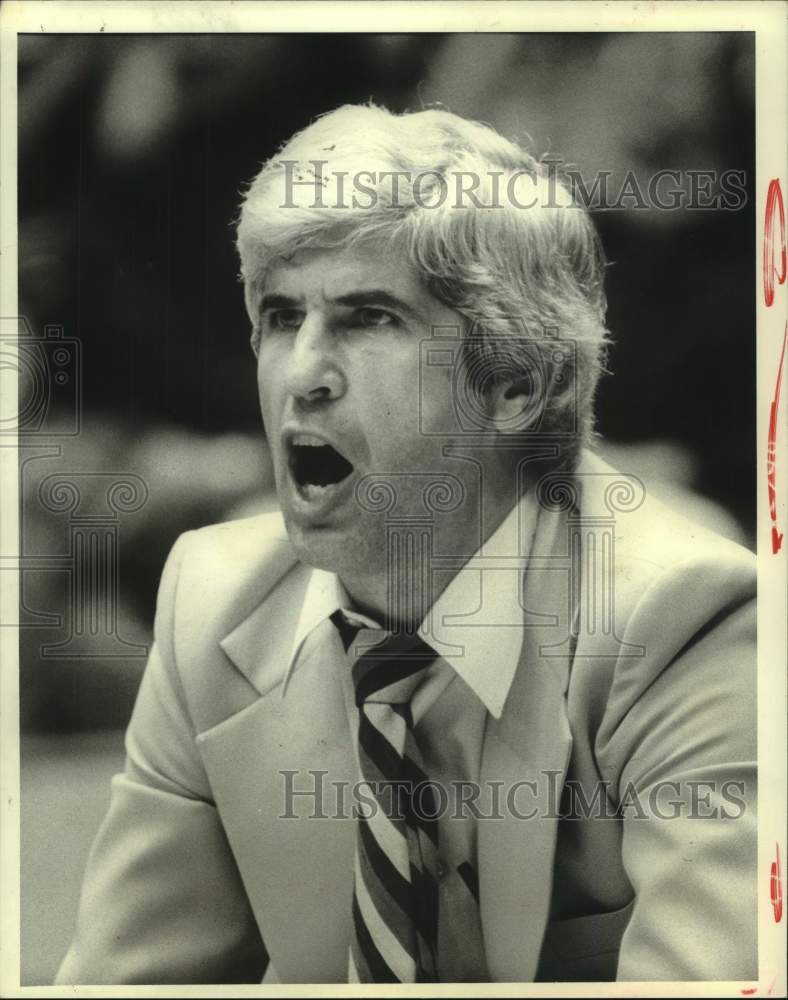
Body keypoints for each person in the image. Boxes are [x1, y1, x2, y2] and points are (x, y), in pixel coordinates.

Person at [56, 104, 756, 984]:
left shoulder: (686, 619)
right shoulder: (210, 601)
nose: (303, 374)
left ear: (515, 384)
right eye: (280, 317)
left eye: (369, 319)